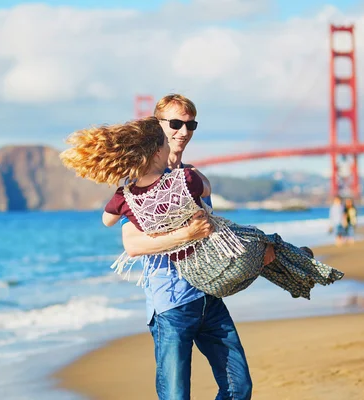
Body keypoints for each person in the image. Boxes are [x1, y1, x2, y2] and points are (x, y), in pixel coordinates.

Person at [60, 95, 341, 399]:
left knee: (238, 387)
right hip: (171, 303)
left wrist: (255, 255)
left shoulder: (190, 177)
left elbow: (213, 233)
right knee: (176, 396)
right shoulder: (139, 185)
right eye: (176, 123)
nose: (184, 131)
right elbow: (133, 245)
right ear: (156, 127)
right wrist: (188, 233)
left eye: (190, 124)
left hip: (209, 295)